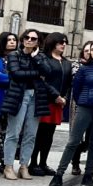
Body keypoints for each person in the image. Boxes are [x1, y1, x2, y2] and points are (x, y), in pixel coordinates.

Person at [50, 41, 93, 186]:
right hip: (85, 107)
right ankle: (59, 174)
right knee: (73, 141)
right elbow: (76, 90)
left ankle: (88, 174)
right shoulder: (84, 69)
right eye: (92, 50)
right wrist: (84, 101)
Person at [3, 29, 50, 180]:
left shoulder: (40, 57)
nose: (29, 40)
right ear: (22, 39)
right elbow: (16, 74)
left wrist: (36, 59)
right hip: (18, 96)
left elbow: (48, 72)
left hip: (36, 97)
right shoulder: (14, 55)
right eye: (27, 37)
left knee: (31, 135)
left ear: (38, 42)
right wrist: (37, 74)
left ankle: (24, 166)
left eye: (33, 38)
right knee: (13, 133)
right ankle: (8, 166)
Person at [28, 32, 71, 176]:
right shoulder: (44, 58)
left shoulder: (66, 62)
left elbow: (68, 83)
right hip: (45, 100)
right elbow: (42, 80)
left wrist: (64, 97)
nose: (63, 44)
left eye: (65, 42)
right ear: (53, 42)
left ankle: (43, 163)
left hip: (59, 102)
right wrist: (56, 95)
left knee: (49, 135)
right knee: (39, 133)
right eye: (61, 42)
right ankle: (33, 163)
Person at [0, 32, 14, 173]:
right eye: (8, 40)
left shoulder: (18, 58)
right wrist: (13, 78)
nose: (12, 42)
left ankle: (5, 163)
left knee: (8, 134)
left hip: (12, 102)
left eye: (14, 39)